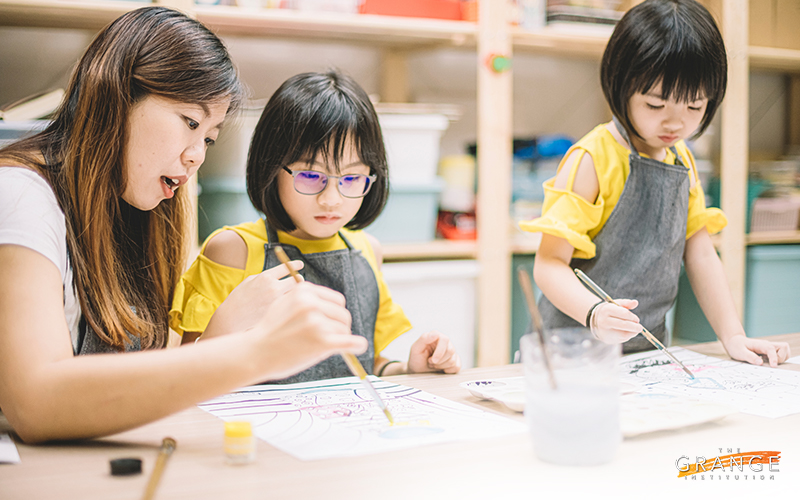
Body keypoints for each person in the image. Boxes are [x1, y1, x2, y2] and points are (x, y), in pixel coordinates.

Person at [0, 7, 367, 443]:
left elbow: (129, 386)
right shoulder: (20, 193)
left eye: (209, 138)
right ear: (118, 96)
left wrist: (220, 337)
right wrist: (253, 351)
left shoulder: (135, 207)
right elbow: (37, 404)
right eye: (190, 122)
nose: (197, 156)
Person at [522, 0, 790, 366]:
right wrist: (595, 313)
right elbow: (549, 264)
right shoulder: (593, 159)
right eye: (655, 105)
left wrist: (734, 336)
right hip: (568, 355)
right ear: (621, 86)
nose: (675, 125)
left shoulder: (682, 159)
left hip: (644, 358)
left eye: (694, 108)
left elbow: (698, 252)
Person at [170, 71, 461, 382]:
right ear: (271, 167)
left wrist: (409, 369)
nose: (331, 199)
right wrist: (227, 325)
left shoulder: (366, 251)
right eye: (310, 176)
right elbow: (190, 376)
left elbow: (364, 362)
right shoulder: (233, 250)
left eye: (351, 178)